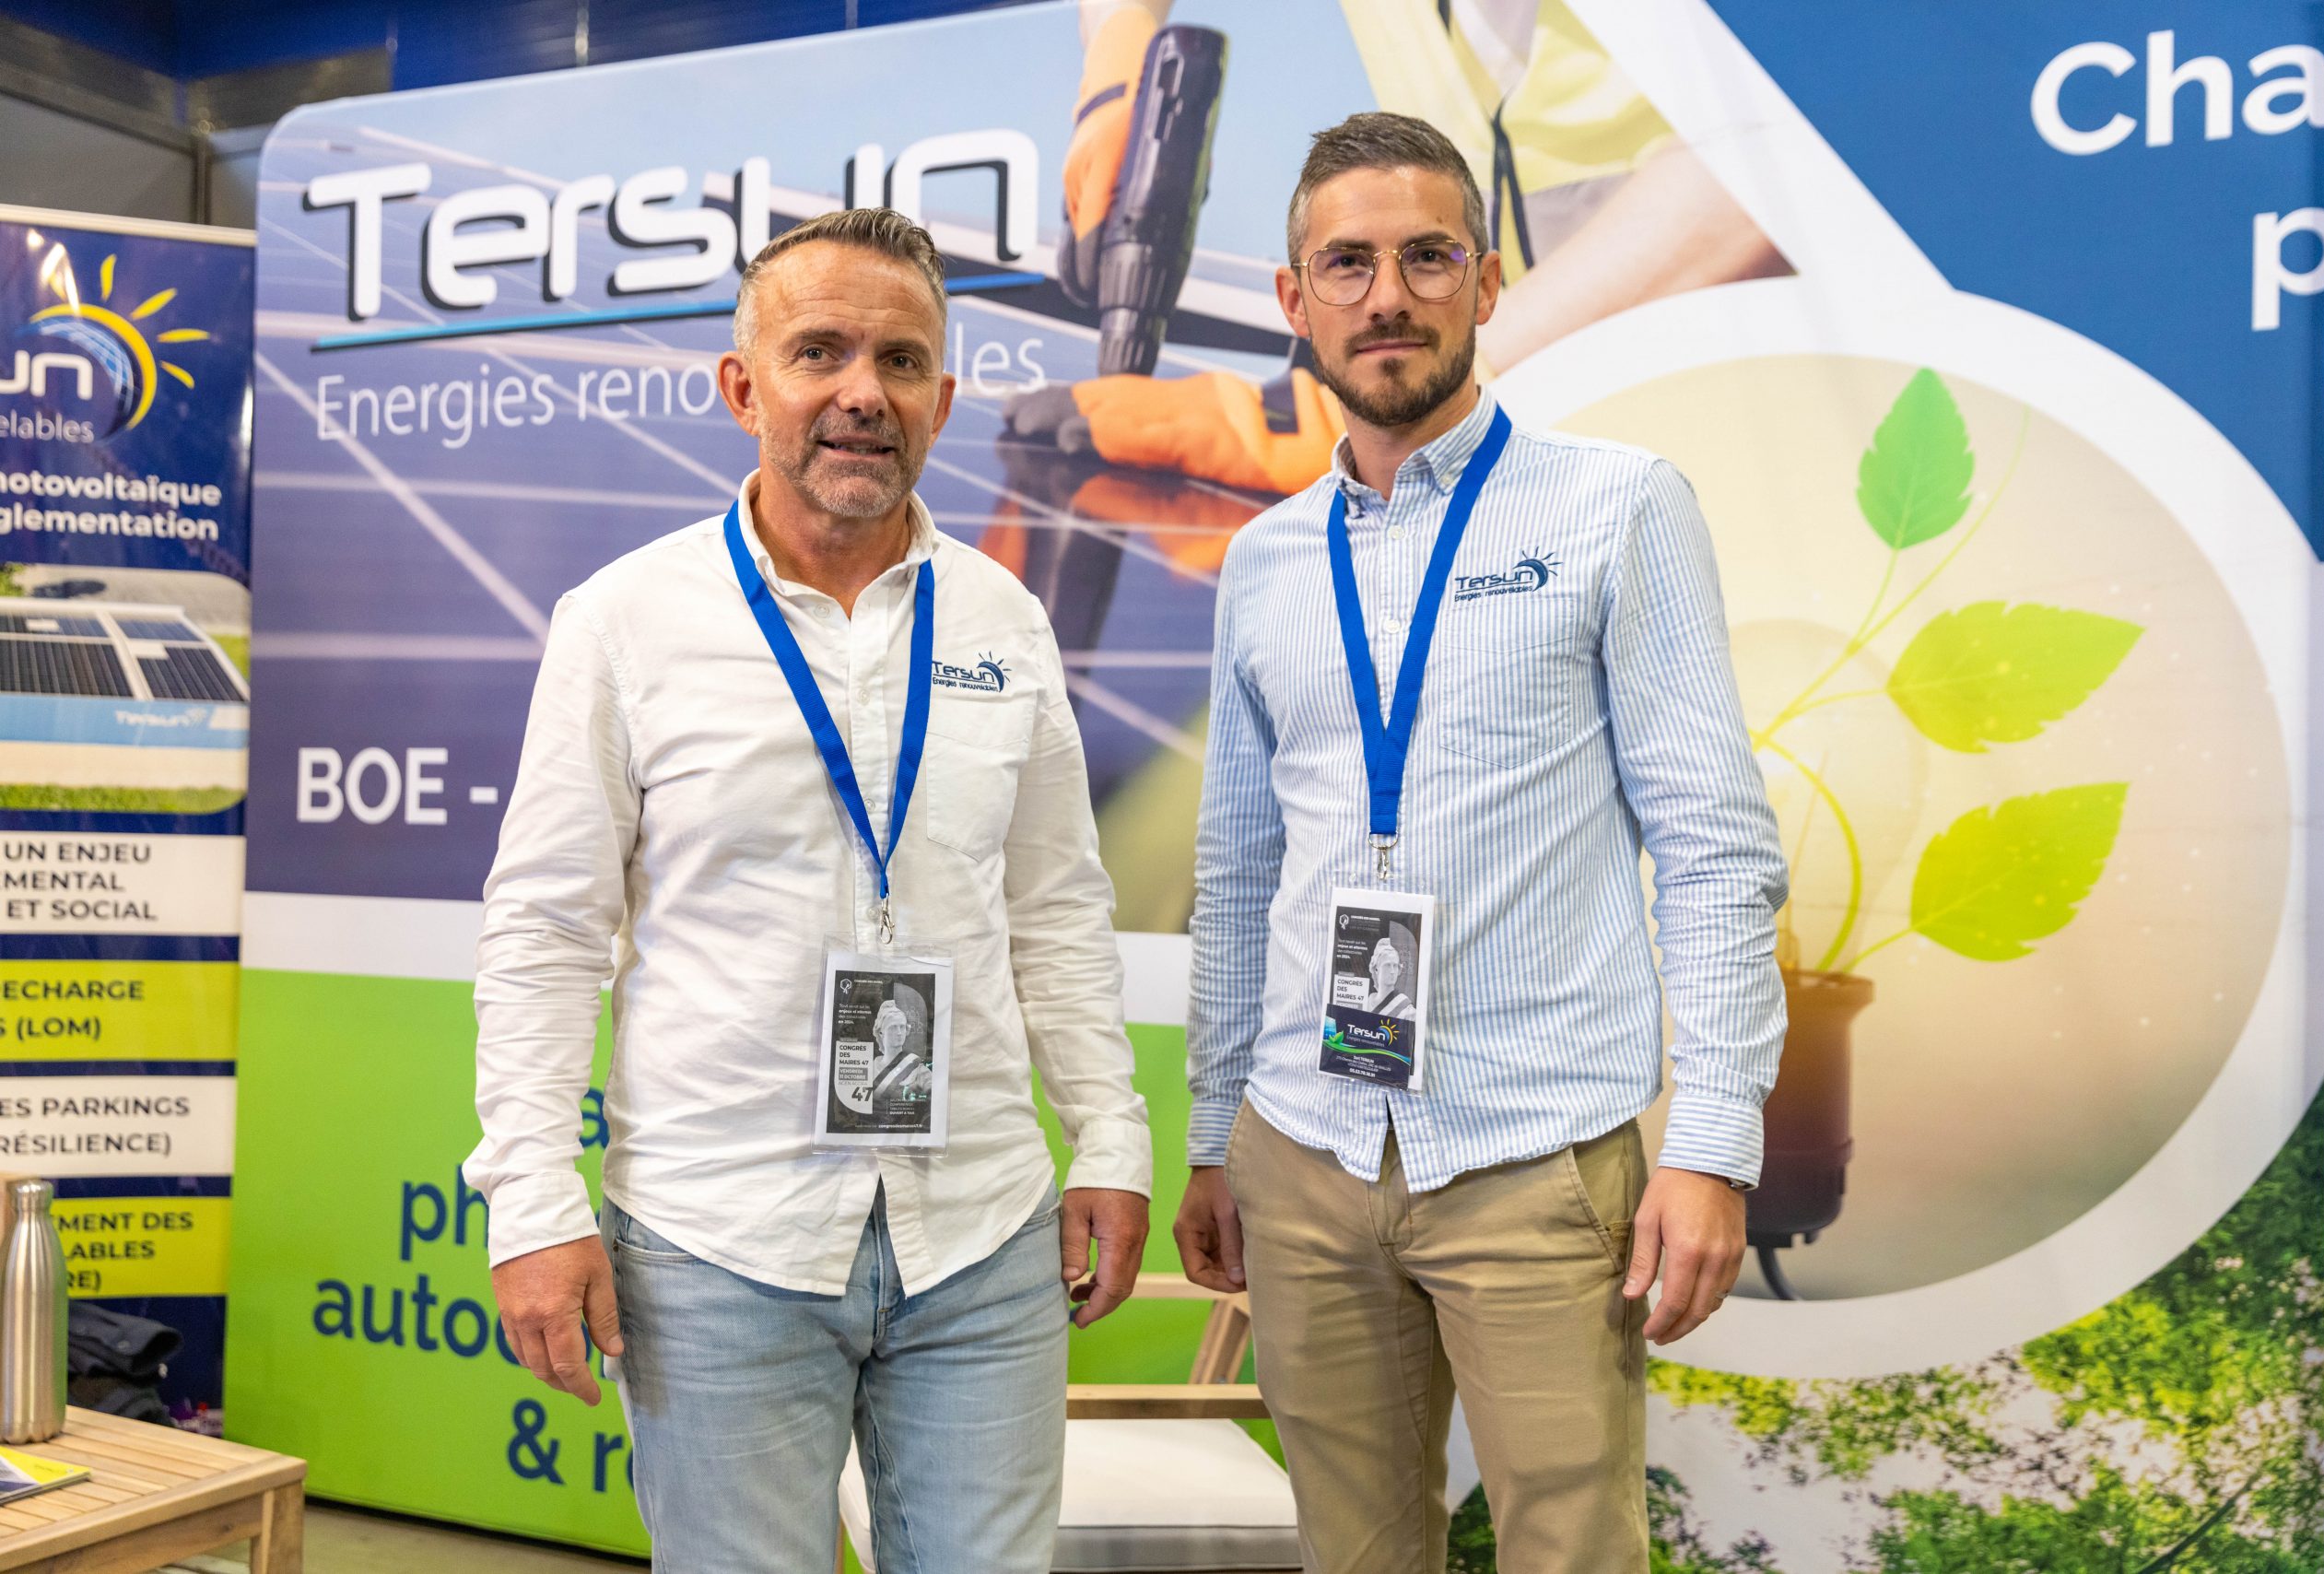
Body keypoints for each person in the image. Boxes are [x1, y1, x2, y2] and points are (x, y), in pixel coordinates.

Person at [466, 207, 1155, 1574]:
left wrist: (1111, 1137)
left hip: (981, 1236)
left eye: (901, 361)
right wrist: (532, 1199)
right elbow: (546, 931)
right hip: (719, 1243)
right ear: (744, 387)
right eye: (819, 352)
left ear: (941, 400)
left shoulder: (1006, 620)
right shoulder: (625, 621)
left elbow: (1058, 911)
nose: (863, 393)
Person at [1174, 114, 1788, 1573]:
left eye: (1427, 258)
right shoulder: (1264, 563)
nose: (1387, 296)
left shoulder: (1618, 508)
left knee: (1571, 1551)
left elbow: (1713, 846)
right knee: (1354, 1550)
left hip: (1532, 1153)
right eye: (1347, 264)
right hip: (1304, 1150)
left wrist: (1714, 1144)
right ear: (1295, 298)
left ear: (1488, 281)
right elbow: (1241, 872)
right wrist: (1212, 1133)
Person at [1011, 0, 1783, 495]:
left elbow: (1772, 156)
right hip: (1512, 377)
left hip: (1737, 356)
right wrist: (1117, 53)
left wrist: (1421, 396)